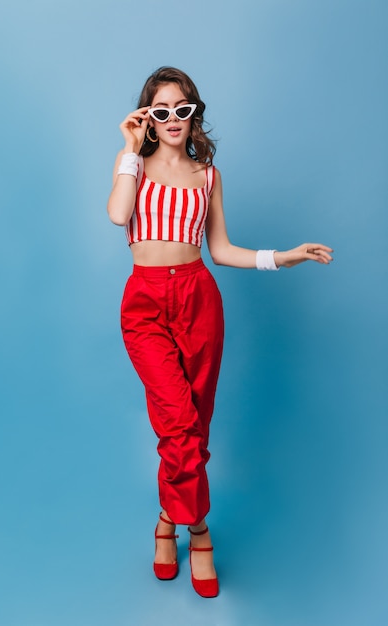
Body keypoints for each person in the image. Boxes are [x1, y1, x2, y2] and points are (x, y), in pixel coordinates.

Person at [107, 66, 333, 598]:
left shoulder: (208, 175)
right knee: (177, 424)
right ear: (148, 117)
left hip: (198, 299)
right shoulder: (132, 167)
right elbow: (119, 215)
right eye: (160, 111)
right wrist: (126, 148)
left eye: (182, 109)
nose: (173, 120)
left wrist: (283, 257)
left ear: (194, 113)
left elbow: (222, 249)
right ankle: (200, 530)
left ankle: (167, 521)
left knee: (197, 428)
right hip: (144, 305)